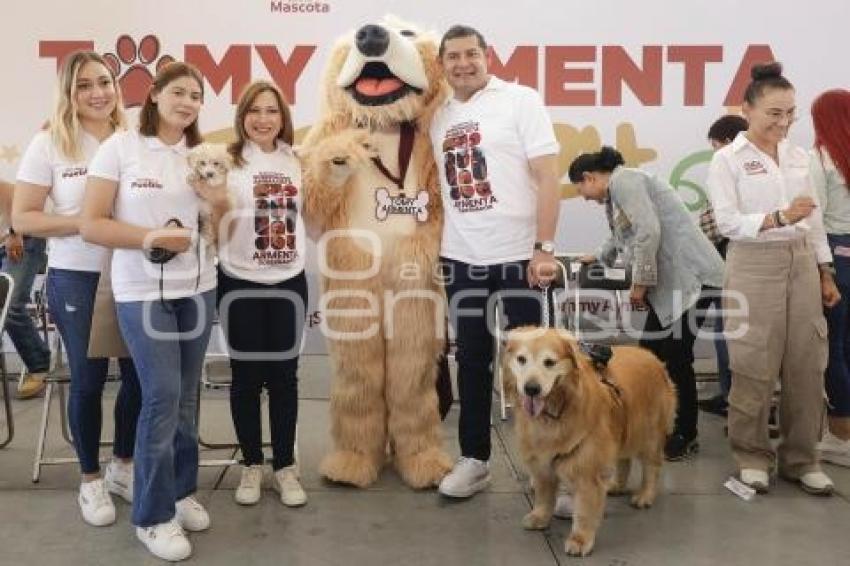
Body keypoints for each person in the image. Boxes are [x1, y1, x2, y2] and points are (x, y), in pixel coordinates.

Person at [81, 61, 223, 561]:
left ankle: (181, 492)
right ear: (156, 93)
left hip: (199, 287)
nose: (188, 102)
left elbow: (219, 222)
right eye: (179, 92)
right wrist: (148, 238)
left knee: (185, 399)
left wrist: (216, 201)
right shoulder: (119, 146)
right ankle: (153, 516)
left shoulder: (201, 153)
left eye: (197, 96)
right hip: (141, 291)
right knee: (161, 397)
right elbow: (92, 224)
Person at [430, 25, 561, 499]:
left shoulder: (520, 100)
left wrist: (544, 247)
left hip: (518, 257)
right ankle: (474, 460)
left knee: (536, 369)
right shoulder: (438, 115)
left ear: (487, 57)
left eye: (471, 54)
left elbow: (548, 176)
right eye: (453, 57)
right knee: (471, 361)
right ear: (441, 63)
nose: (463, 64)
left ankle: (551, 469)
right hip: (461, 257)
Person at [13, 51, 142, 526]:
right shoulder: (49, 143)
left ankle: (122, 467)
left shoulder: (134, 141)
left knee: (137, 380)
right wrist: (83, 225)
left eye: (105, 81)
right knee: (87, 381)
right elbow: (22, 217)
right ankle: (89, 480)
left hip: (133, 276)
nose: (98, 92)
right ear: (69, 92)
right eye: (85, 84)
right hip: (76, 276)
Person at [708, 62, 839, 495]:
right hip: (752, 262)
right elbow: (727, 223)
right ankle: (751, 456)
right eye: (774, 113)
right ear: (747, 109)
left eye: (790, 114)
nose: (783, 123)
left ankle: (802, 459)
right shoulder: (727, 160)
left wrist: (825, 271)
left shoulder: (800, 156)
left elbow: (814, 220)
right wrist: (779, 217)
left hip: (801, 261)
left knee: (807, 363)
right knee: (752, 364)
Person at [569, 147, 724, 461]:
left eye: (581, 190)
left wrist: (639, 284)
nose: (585, 197)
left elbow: (647, 232)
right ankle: (653, 425)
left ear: (589, 177)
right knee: (650, 354)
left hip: (693, 278)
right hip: (673, 284)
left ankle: (685, 433)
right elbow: (622, 235)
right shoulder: (620, 190)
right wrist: (598, 256)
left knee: (676, 356)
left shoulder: (626, 181)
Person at [217, 80, 307, 506]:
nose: (263, 119)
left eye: (272, 110)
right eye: (255, 110)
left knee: (285, 378)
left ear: (283, 117)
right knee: (247, 379)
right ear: (242, 116)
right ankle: (252, 465)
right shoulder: (226, 161)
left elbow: (319, 219)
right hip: (239, 281)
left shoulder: (299, 161)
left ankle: (285, 466)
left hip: (289, 282)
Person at [697, 114, 749, 418]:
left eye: (716, 146)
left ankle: (736, 400)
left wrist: (693, 236)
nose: (715, 153)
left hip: (736, 263)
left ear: (729, 142)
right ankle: (729, 395)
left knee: (730, 334)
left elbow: (715, 222)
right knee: (725, 332)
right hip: (726, 264)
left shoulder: (736, 170)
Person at [810, 88, 850, 467]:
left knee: (833, 347)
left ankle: (840, 437)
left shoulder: (820, 158)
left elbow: (814, 220)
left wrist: (823, 272)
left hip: (836, 254)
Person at [0, 180, 50, 398]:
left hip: (22, 238)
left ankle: (38, 366)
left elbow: (14, 194)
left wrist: (14, 232)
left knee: (10, 306)